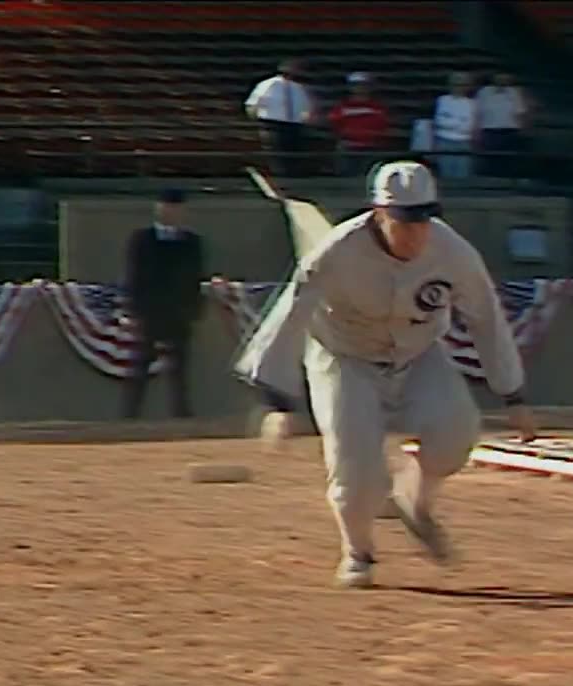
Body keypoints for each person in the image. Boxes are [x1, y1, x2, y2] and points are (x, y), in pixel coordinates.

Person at [233, 161, 539, 589]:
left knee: (457, 432)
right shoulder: (338, 251)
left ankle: (415, 499)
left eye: (423, 220)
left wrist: (513, 394)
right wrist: (277, 400)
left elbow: (486, 317)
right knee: (356, 469)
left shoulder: (453, 252)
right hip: (345, 357)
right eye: (403, 222)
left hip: (418, 353)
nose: (415, 233)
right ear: (379, 214)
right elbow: (292, 311)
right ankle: (358, 552)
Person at [121, 188, 208, 419]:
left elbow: (196, 277)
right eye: (167, 206)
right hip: (150, 311)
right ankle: (130, 415)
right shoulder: (142, 239)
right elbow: (134, 276)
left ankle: (181, 415)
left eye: (176, 207)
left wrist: (194, 309)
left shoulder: (192, 242)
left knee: (179, 368)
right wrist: (134, 310)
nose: (171, 211)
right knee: (140, 365)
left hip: (179, 312)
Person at [245, 59, 316, 177]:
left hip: (294, 125)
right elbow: (253, 103)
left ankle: (292, 175)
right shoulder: (268, 84)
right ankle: (279, 176)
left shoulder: (298, 88)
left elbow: (305, 106)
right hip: (273, 123)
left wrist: (305, 118)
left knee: (293, 152)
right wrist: (255, 119)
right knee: (277, 152)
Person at [328, 72, 390, 177]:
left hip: (371, 147)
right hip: (348, 147)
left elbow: (382, 126)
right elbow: (335, 125)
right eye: (356, 85)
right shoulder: (342, 107)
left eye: (363, 85)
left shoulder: (377, 108)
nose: (359, 88)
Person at [474, 72, 532, 178]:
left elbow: (520, 113)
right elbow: (478, 113)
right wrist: (477, 133)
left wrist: (523, 132)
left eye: (505, 75)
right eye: (500, 75)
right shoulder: (484, 92)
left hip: (509, 132)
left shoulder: (514, 92)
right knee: (490, 161)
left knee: (508, 161)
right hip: (490, 132)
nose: (502, 78)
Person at [431, 72, 477, 180]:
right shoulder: (442, 100)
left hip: (464, 142)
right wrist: (459, 122)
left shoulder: (472, 103)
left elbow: (468, 127)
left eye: (462, 84)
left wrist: (449, 120)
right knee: (446, 174)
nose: (458, 88)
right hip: (444, 140)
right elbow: (439, 121)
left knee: (462, 174)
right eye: (456, 84)